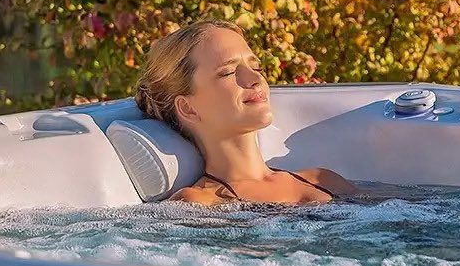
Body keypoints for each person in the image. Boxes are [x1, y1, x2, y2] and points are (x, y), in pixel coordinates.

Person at [134, 20, 358, 206]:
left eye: (256, 66)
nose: (255, 78)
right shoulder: (200, 203)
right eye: (228, 72)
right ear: (188, 108)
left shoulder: (324, 180)